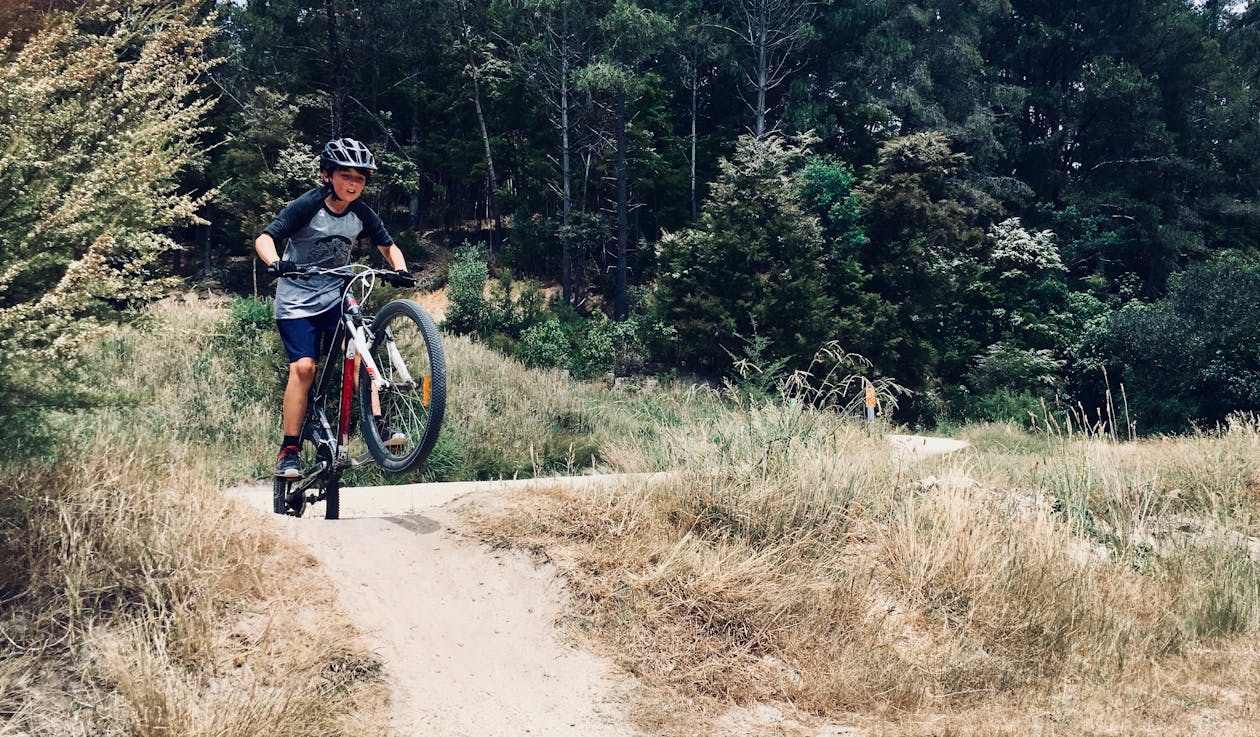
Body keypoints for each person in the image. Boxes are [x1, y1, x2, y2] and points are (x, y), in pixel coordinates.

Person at [255, 137, 416, 479]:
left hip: (336, 296)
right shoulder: (308, 205)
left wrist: (400, 270)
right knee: (303, 369)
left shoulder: (361, 214)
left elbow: (389, 247)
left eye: (360, 177)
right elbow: (265, 238)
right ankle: (290, 449)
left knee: (359, 354)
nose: (353, 183)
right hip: (296, 301)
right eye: (346, 175)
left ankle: (379, 427)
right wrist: (275, 263)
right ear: (328, 175)